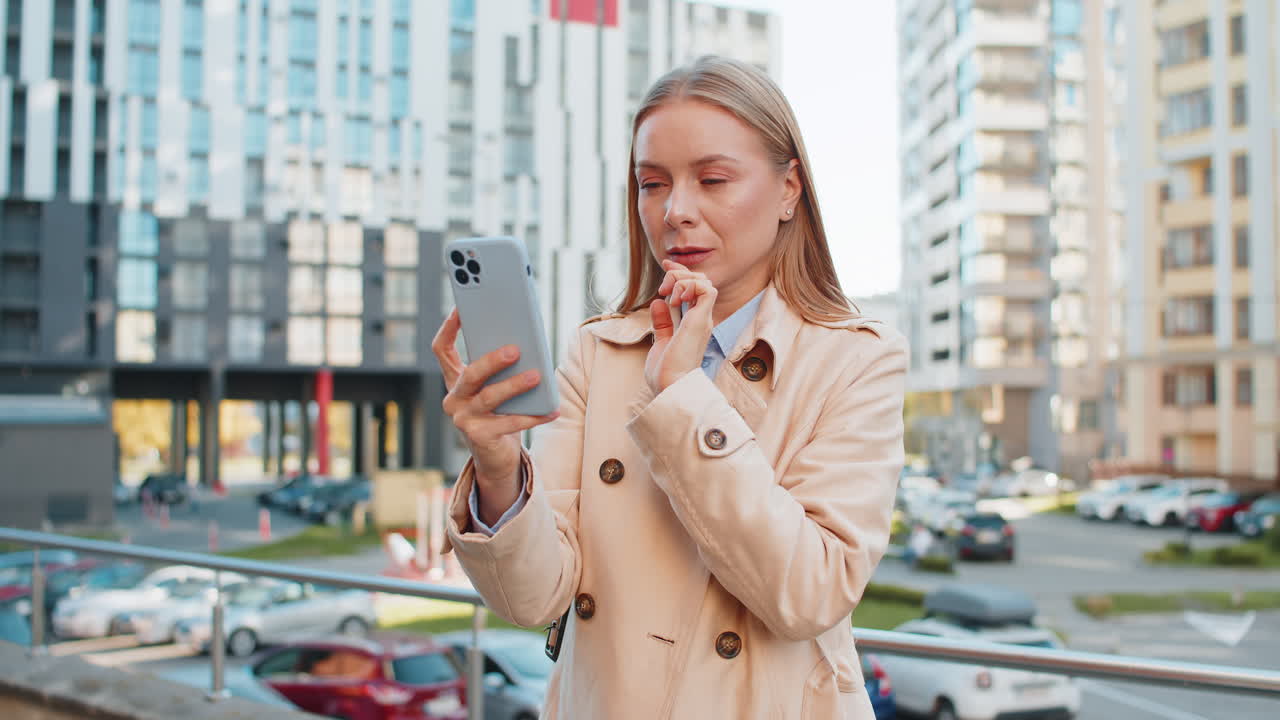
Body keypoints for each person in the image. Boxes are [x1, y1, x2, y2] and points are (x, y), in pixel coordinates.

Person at [432, 56, 906, 720]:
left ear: (789, 190)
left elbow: (811, 592)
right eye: (651, 184)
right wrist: (499, 464)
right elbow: (532, 600)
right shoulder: (599, 351)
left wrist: (682, 396)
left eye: (712, 179)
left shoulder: (855, 357)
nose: (676, 211)